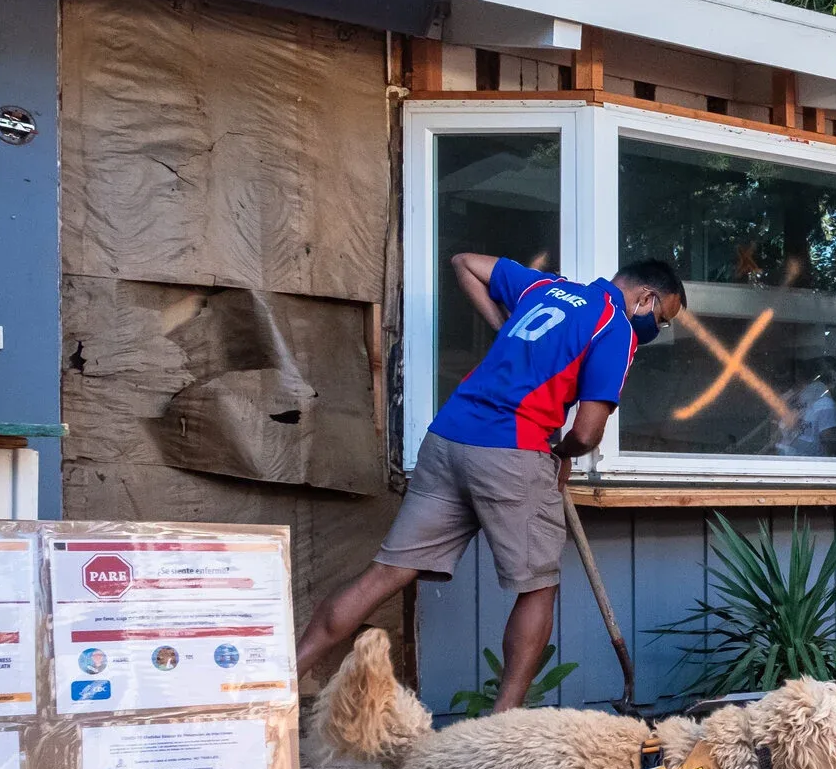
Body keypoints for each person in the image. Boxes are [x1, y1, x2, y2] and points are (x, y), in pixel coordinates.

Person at [294, 252, 686, 711]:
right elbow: (586, 432)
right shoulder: (615, 327)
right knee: (537, 587)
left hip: (447, 438)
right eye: (662, 318)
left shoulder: (543, 290)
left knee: (384, 574)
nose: (656, 328)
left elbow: (463, 262)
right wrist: (559, 456)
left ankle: (280, 680)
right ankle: (500, 729)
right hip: (512, 450)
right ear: (646, 298)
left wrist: (504, 325)